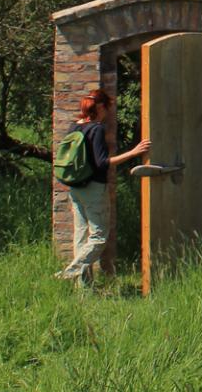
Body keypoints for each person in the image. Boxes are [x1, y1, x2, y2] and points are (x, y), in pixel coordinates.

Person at [56, 89, 150, 282]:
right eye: (107, 108)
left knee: (81, 237)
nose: (108, 112)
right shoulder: (96, 128)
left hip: (75, 188)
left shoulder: (75, 126)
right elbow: (102, 163)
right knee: (98, 237)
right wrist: (134, 153)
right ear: (101, 107)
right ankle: (70, 272)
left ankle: (83, 291)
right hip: (94, 189)